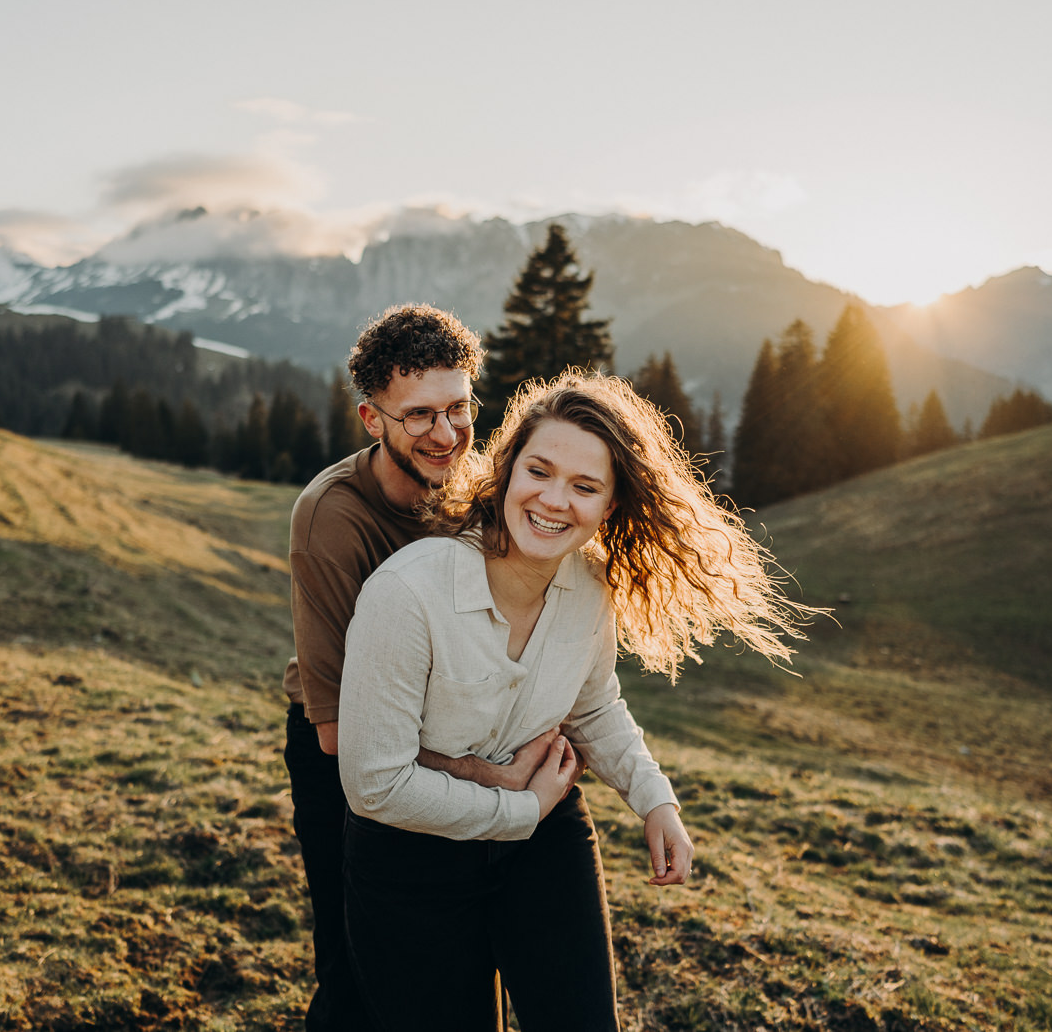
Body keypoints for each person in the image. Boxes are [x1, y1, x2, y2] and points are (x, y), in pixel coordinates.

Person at [337, 369, 814, 1031]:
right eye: (540, 470)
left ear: (609, 507)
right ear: (505, 469)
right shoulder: (407, 595)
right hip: (412, 860)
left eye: (585, 486)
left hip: (545, 841)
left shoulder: (590, 587)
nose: (554, 499)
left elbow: (594, 707)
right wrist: (518, 806)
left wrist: (654, 800)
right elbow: (374, 784)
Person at [282, 303, 566, 1032]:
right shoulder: (332, 518)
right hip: (346, 758)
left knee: (456, 962)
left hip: (457, 736)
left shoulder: (482, 492)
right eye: (417, 417)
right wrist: (489, 778)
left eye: (458, 409)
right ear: (371, 419)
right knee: (356, 973)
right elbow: (342, 737)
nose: (446, 436)